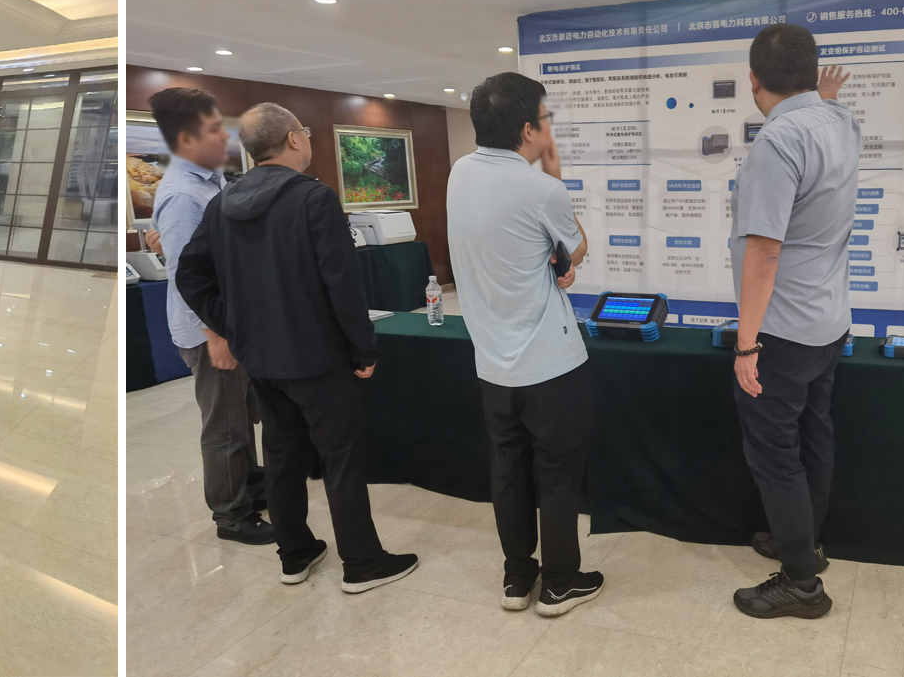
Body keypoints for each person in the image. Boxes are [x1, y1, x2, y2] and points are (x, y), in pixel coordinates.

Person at [174, 102, 418, 593]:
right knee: (341, 458)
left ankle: (294, 553)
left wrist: (234, 326)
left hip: (262, 360)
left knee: (282, 453)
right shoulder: (314, 198)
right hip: (320, 358)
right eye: (305, 131)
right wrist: (363, 350)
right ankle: (362, 562)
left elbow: (189, 273)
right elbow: (342, 284)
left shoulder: (224, 203)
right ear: (292, 138)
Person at [447, 72, 604, 617]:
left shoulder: (459, 172)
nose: (549, 128)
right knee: (557, 473)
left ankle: (518, 578)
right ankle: (560, 583)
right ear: (527, 130)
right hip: (550, 365)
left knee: (508, 470)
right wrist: (554, 175)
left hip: (492, 363)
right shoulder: (543, 189)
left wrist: (551, 265)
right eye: (545, 118)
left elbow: (516, 249)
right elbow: (577, 248)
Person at [728, 23, 857, 619]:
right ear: (810, 75)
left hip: (781, 328)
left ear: (754, 80)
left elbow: (764, 249)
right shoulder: (840, 121)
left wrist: (746, 344)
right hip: (827, 321)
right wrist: (823, 96)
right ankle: (805, 543)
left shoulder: (778, 142)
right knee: (813, 435)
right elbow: (820, 110)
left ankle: (802, 584)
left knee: (775, 452)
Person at [148, 87, 273, 546]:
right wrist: (215, 337)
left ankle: (251, 485)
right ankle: (231, 514)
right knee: (225, 427)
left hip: (227, 320)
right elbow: (187, 276)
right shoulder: (184, 194)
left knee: (242, 416)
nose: (225, 137)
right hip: (210, 331)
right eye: (214, 129)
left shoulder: (212, 182)